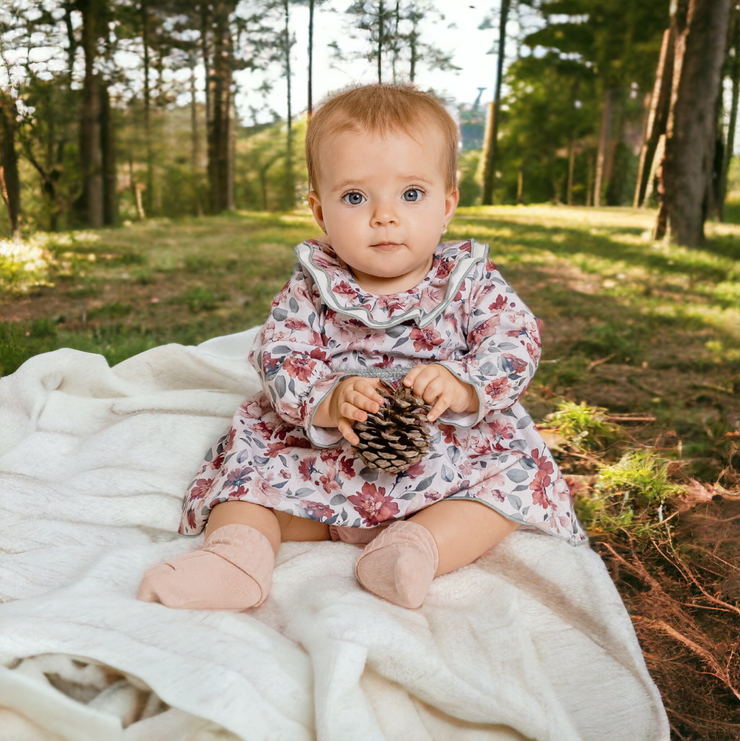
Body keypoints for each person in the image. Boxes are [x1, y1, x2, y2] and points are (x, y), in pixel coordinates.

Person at [137, 83, 588, 613]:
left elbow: (515, 338)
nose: (384, 215)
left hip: (446, 456)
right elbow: (280, 351)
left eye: (411, 194)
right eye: (355, 197)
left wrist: (465, 384)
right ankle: (236, 556)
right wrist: (327, 400)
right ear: (320, 211)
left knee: (509, 486)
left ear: (447, 204)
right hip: (330, 453)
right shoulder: (314, 284)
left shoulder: (470, 280)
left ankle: (415, 549)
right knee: (248, 473)